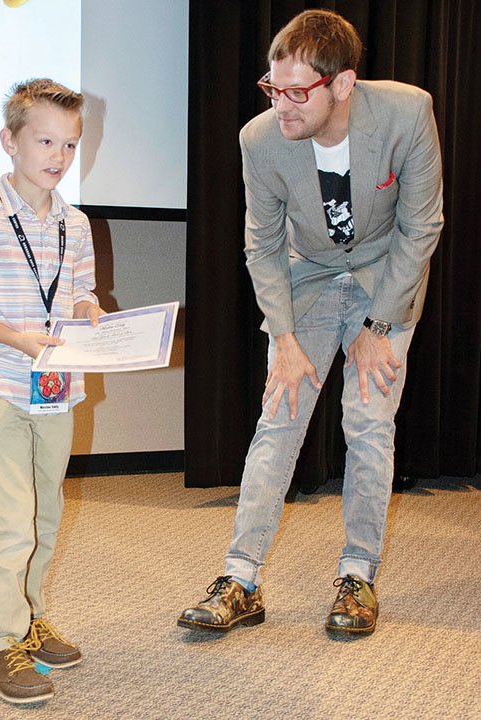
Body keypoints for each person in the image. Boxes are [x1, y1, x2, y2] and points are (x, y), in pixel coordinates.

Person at [179, 9, 443, 636]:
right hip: (310, 275)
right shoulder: (260, 139)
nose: (283, 107)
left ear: (343, 84)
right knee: (280, 416)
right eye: (274, 89)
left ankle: (357, 576)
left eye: (299, 92)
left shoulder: (407, 114)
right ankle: (240, 579)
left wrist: (379, 328)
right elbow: (262, 246)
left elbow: (421, 226)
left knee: (370, 421)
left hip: (388, 274)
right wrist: (286, 339)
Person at [0, 79, 104, 703]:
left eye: (69, 143)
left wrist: (90, 311)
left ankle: (30, 623)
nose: (58, 156)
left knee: (47, 515)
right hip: (0, 383)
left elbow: (81, 290)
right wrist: (17, 338)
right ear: (10, 141)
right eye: (44, 140)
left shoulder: (75, 222)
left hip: (56, 388)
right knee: (13, 518)